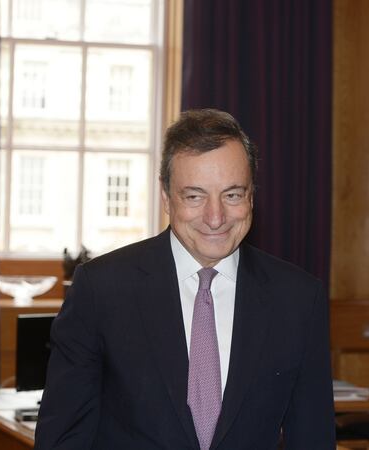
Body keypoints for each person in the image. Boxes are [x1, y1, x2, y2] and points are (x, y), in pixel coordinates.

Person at [34, 109, 336, 449]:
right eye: (194, 196)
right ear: (166, 197)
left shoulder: (297, 299)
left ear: (252, 196)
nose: (215, 217)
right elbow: (62, 438)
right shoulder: (102, 290)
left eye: (232, 194)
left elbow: (313, 437)